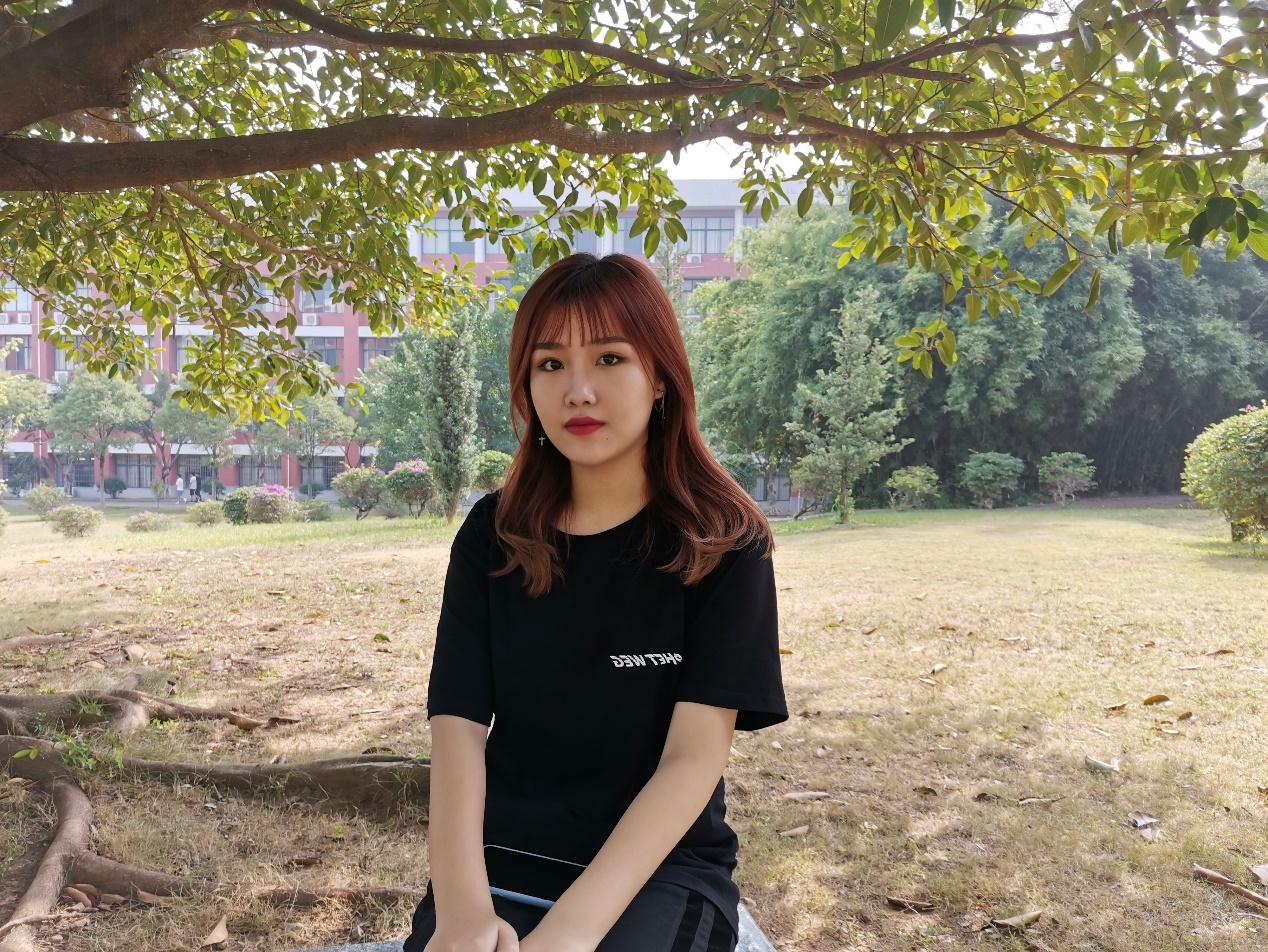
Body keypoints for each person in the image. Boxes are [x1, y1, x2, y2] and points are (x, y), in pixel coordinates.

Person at [406, 254, 787, 952]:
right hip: (504, 858)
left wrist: (569, 935)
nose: (578, 391)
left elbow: (691, 761)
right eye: (550, 364)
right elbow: (456, 725)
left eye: (610, 358)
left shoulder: (725, 544)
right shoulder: (493, 535)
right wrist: (461, 908)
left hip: (660, 871)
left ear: (660, 376)